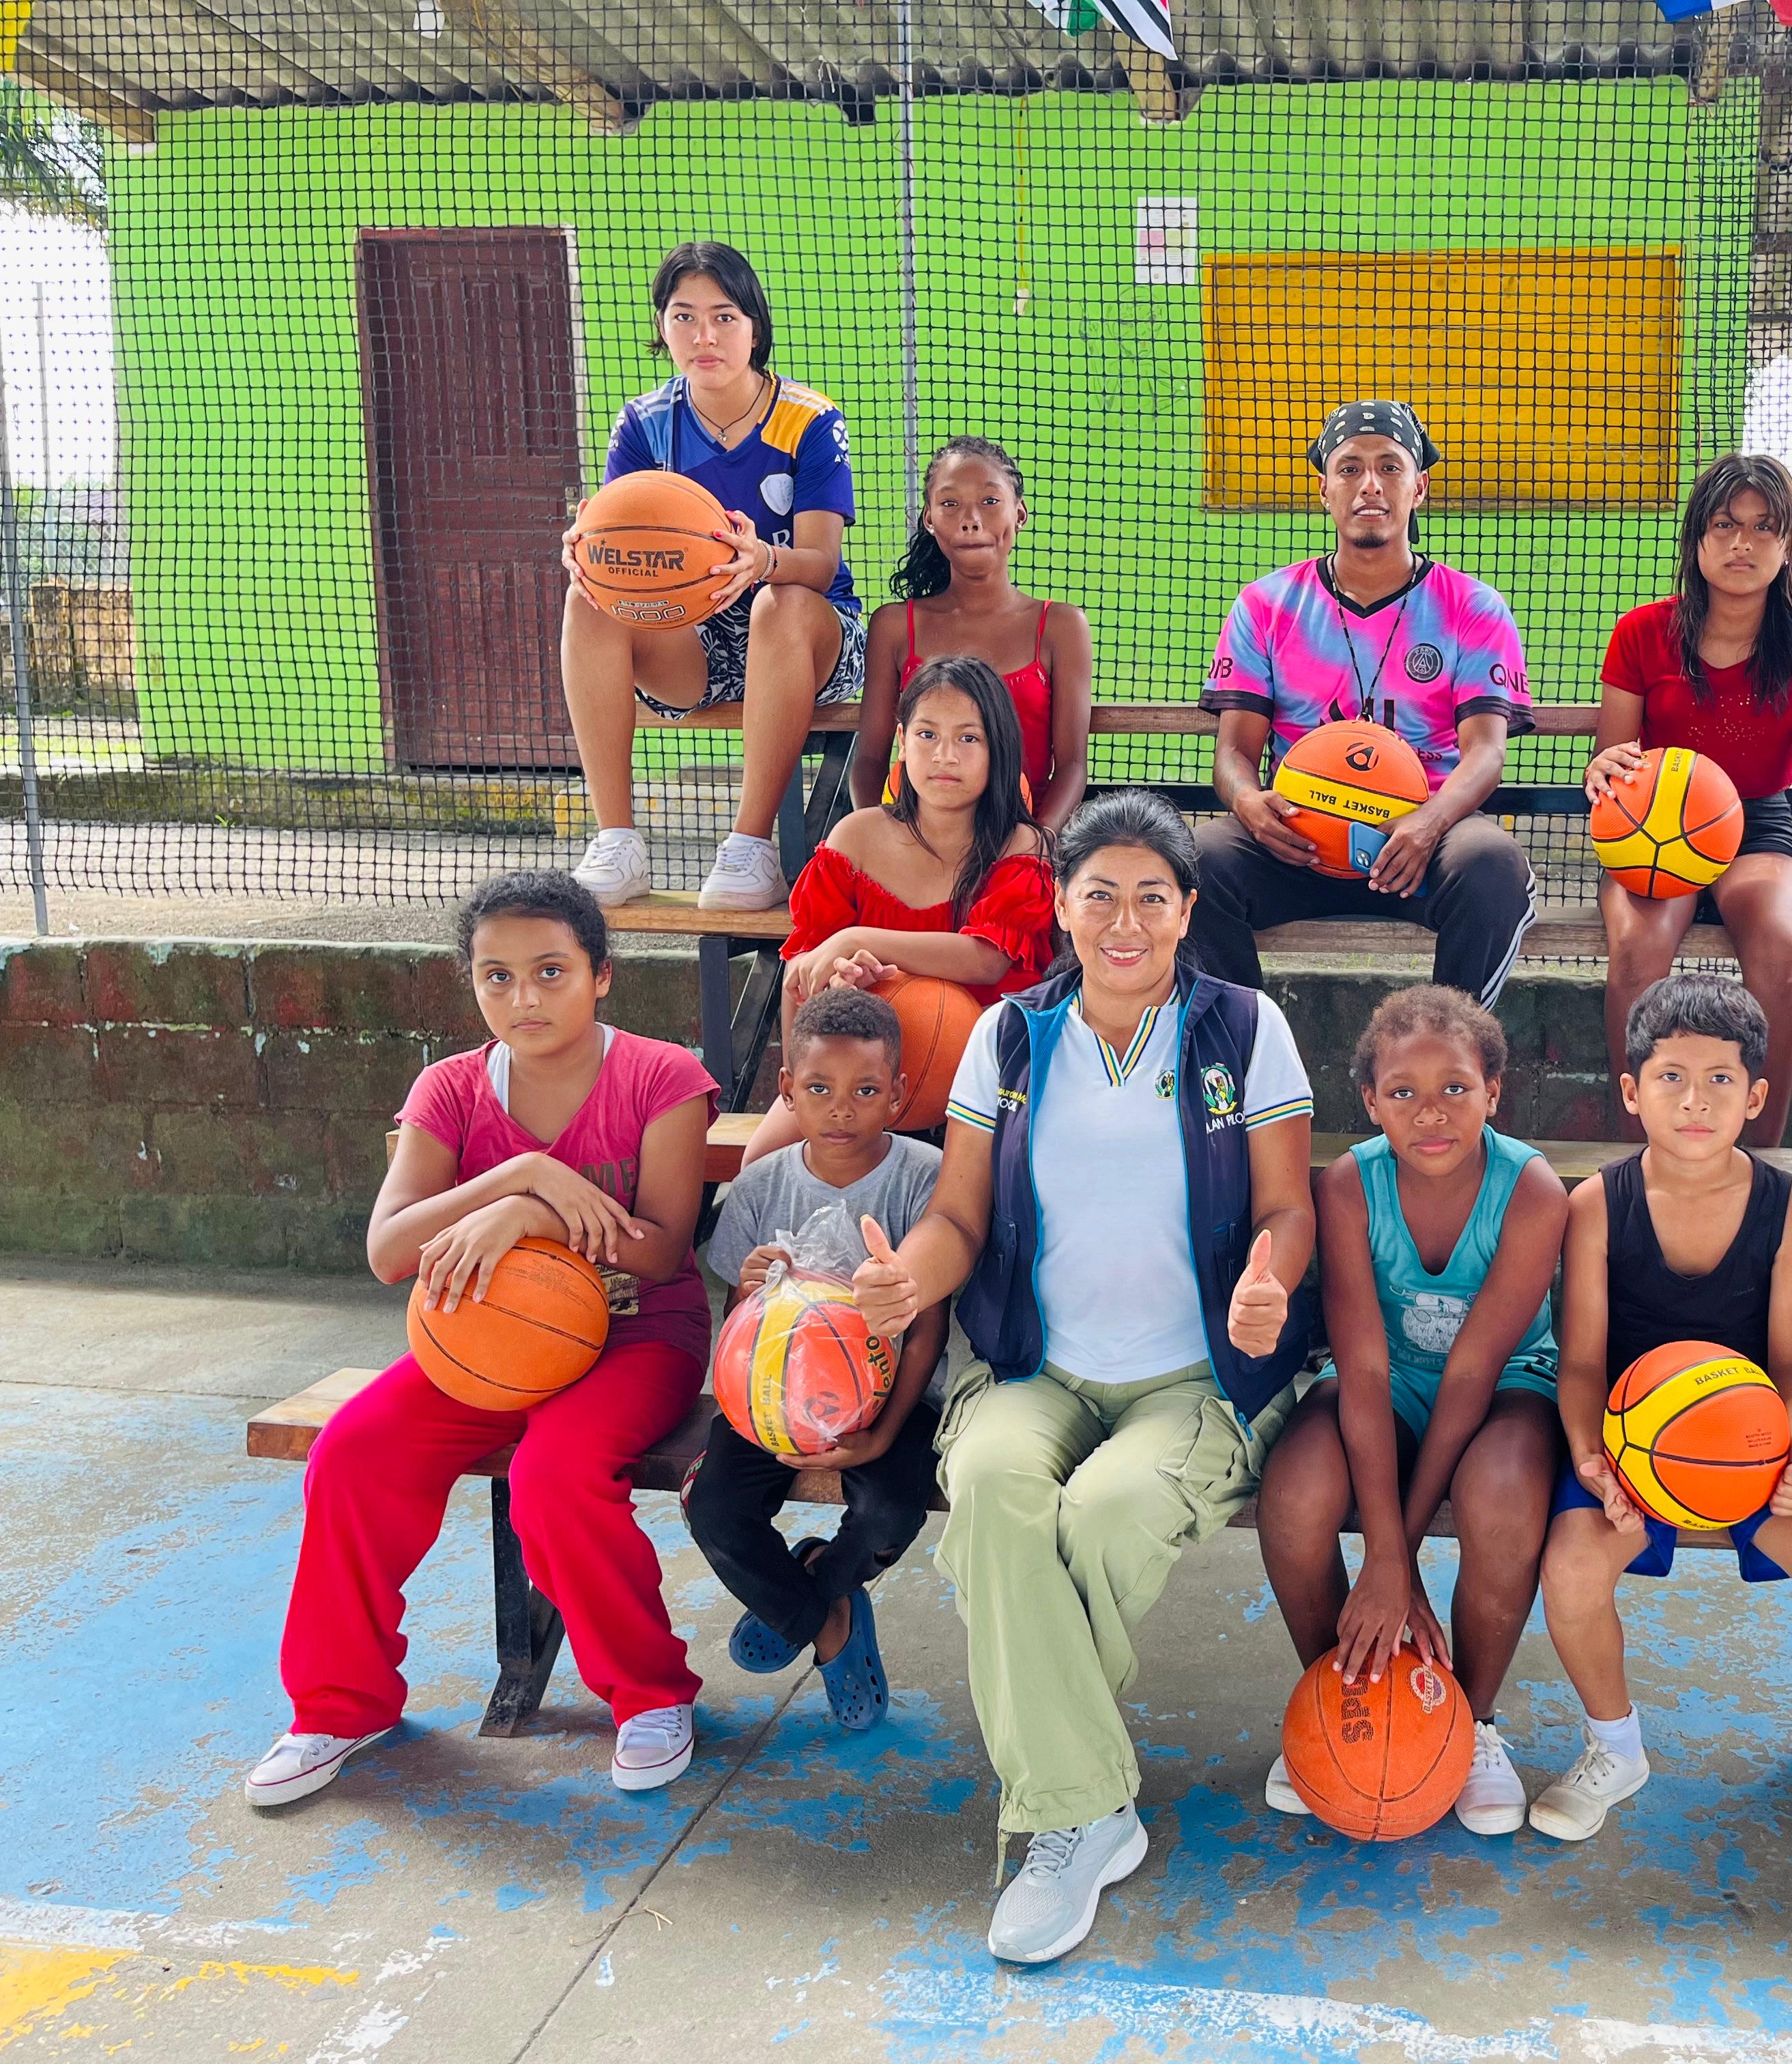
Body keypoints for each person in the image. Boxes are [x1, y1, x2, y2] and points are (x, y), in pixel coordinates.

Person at [847, 790, 1318, 1966]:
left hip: (1194, 1375)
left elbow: (1285, 1206)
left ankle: (1063, 1808)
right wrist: (908, 1278)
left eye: (1151, 897)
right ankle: (1085, 1809)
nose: (1124, 921)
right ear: (1060, 905)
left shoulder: (1244, 1028)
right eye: (1098, 894)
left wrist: (1269, 1280)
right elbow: (959, 1218)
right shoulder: (1009, 1036)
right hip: (1034, 1359)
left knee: (1102, 1515)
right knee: (996, 1490)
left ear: (1188, 910)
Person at [246, 873, 715, 1808]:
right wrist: (517, 1181)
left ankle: (650, 1695)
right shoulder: (452, 1088)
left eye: (551, 971)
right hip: (489, 1343)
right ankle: (340, 1704)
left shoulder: (661, 1077)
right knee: (351, 1455)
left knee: (555, 1475)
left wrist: (533, 1219)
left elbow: (663, 1251)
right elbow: (389, 1251)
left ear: (602, 975)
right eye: (496, 976)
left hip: (636, 1335)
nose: (523, 996)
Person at [1532, 973, 1792, 1949]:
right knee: (1572, 1569)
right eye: (1671, 1077)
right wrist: (1590, 1459)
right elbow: (1581, 1363)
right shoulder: (1596, 1204)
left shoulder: (1788, 1206)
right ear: (1631, 1091)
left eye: (1721, 1080)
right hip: (1633, 1445)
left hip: (1755, 1446)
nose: (1696, 1101)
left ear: (1757, 1096)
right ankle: (1616, 1746)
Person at [1253, 986, 1563, 1839]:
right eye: (1403, 1092)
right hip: (1383, 1384)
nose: (1431, 1113)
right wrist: (1388, 1561)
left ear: (1493, 1090)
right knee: (1296, 1496)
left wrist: (1398, 1555)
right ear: (1369, 1102)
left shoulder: (1532, 1191)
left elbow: (1471, 1372)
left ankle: (1474, 1718)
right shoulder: (1350, 1186)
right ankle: (1341, 1699)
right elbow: (1361, 1366)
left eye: (1456, 1088)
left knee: (1504, 1497)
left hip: (1502, 1387)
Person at [1192, 399, 1539, 1008]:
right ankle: (1247, 1047)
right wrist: (1248, 802)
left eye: (1390, 467)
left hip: (1420, 843)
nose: (1370, 484)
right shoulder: (1266, 605)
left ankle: (1448, 1050)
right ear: (1325, 490)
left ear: (1419, 488)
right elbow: (1233, 753)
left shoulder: (1472, 607)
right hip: (1299, 844)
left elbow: (1486, 753)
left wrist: (1430, 823)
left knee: (1492, 865)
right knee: (1196, 863)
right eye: (1350, 468)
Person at [1588, 455, 1792, 1144]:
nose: (1742, 544)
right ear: (1697, 540)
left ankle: (1760, 1160)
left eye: (1763, 527)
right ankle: (1638, 1156)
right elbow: (1611, 763)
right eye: (1725, 525)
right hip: (1652, 826)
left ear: (1788, 545)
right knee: (1637, 951)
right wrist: (1601, 769)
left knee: (1782, 947)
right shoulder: (1643, 631)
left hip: (1757, 823)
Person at [562, 240, 865, 913]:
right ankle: (617, 842)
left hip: (808, 637)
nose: (704, 336)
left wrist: (762, 561)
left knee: (778, 604)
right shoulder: (644, 424)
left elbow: (820, 566)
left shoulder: (811, 420)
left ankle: (750, 849)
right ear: (662, 327)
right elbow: (617, 545)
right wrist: (590, 558)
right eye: (684, 317)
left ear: (755, 326)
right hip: (693, 640)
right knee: (588, 600)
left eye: (724, 317)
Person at [687, 986, 948, 1731]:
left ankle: (816, 1582)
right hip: (768, 1402)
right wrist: (749, 1291)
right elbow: (737, 1329)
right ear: (787, 1089)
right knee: (714, 1509)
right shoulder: (761, 1187)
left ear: (897, 1093)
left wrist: (884, 1435)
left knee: (891, 1511)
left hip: (891, 1399)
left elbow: (928, 1329)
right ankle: (827, 1623)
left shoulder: (922, 1178)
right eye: (819, 1089)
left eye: (866, 1090)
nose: (842, 1110)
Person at [742, 655, 1056, 1166]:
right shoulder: (855, 837)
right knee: (760, 1164)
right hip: (859, 1070)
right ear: (903, 741)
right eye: (927, 735)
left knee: (988, 1187)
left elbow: (986, 960)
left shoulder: (1023, 846)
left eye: (969, 738)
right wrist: (835, 985)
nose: (945, 756)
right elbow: (800, 970)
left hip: (988, 1071)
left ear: (999, 749)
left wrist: (858, 939)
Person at [851, 438, 1092, 832]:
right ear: (929, 519)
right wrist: (877, 835)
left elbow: (1072, 766)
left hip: (1021, 835)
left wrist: (1038, 842)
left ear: (1020, 514)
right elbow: (869, 759)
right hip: (918, 836)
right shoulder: (894, 626)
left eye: (990, 501)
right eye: (950, 504)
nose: (971, 519)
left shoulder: (1061, 627)